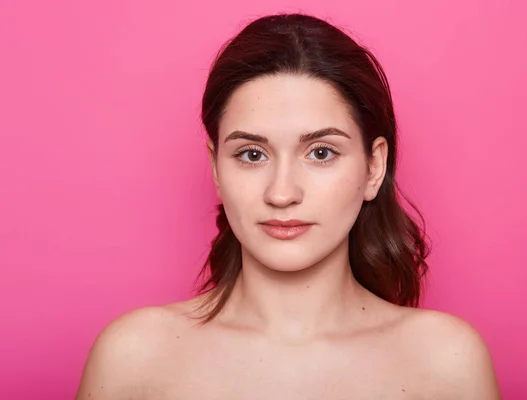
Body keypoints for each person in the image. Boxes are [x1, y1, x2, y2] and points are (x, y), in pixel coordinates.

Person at [76, 13, 501, 399]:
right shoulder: (132, 359)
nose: (281, 194)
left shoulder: (446, 364)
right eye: (251, 154)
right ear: (216, 168)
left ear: (375, 167)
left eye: (320, 153)